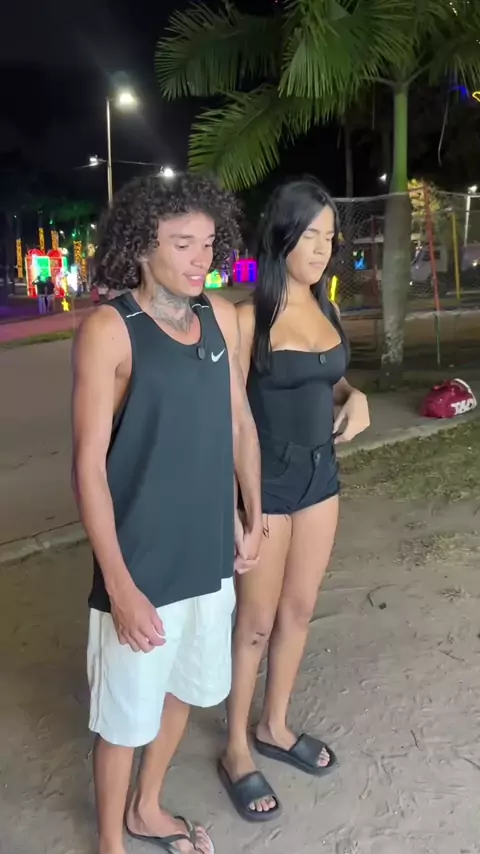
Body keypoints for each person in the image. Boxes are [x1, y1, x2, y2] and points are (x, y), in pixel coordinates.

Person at [71, 173, 263, 854]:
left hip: (208, 557)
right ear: (140, 247)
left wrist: (252, 514)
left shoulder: (218, 316)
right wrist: (119, 586)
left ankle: (146, 808)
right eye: (182, 244)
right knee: (124, 718)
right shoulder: (110, 330)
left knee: (187, 689)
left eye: (208, 243)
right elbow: (88, 468)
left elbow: (238, 421)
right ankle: (110, 843)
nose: (200, 258)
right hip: (143, 563)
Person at [218, 177, 370, 821]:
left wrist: (354, 395)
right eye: (311, 235)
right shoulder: (247, 319)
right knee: (254, 623)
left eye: (329, 237)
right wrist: (237, 505)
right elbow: (230, 420)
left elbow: (326, 378)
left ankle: (274, 726)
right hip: (268, 488)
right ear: (281, 237)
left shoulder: (325, 308)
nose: (322, 248)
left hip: (320, 480)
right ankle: (235, 748)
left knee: (299, 611)